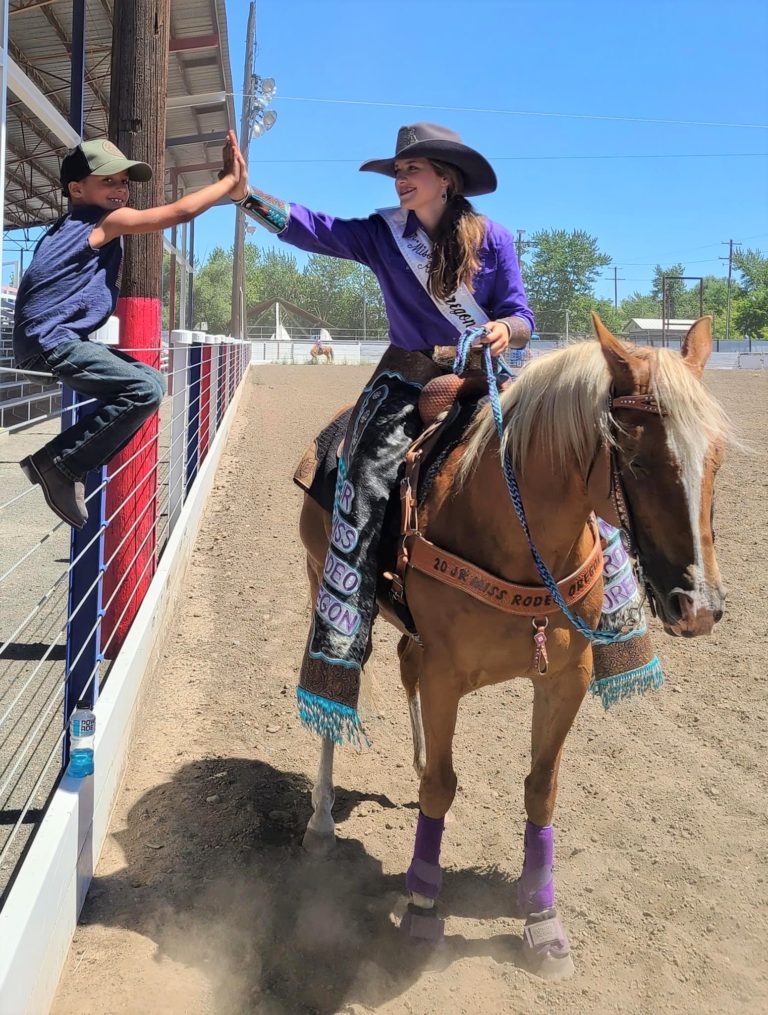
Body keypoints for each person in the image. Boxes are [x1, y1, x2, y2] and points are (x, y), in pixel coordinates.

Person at [232, 122, 535, 742]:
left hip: (484, 374)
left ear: (445, 179)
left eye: (411, 170)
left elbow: (521, 312)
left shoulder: (495, 238)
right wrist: (246, 195)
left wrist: (508, 330)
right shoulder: (381, 234)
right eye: (397, 171)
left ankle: (609, 621)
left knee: (568, 460)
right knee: (363, 477)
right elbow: (315, 229)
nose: (400, 180)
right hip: (407, 376)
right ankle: (349, 623)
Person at [14, 131, 245, 529]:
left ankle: (66, 464)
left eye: (123, 181)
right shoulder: (105, 220)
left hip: (49, 336)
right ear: (76, 188)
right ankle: (60, 464)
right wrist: (227, 183)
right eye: (108, 180)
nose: (120, 189)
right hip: (53, 339)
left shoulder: (60, 230)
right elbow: (178, 214)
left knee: (149, 380)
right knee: (145, 389)